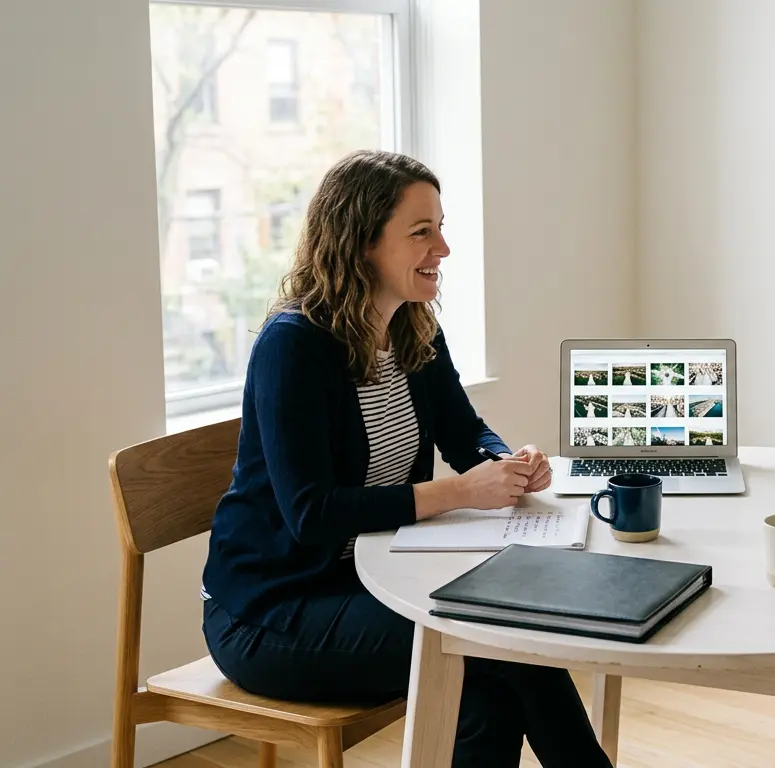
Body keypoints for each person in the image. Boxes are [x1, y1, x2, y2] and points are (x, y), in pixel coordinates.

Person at [199, 150, 612, 768]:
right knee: (494, 646)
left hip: (374, 579)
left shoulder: (412, 326)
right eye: (422, 232)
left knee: (500, 661)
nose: (441, 249)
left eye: (440, 228)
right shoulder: (294, 347)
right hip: (270, 613)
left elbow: (462, 429)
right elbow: (312, 515)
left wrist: (508, 462)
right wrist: (459, 493)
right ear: (360, 243)